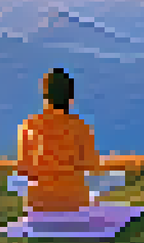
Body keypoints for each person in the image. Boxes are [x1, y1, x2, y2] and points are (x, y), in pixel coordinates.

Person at [10, 68, 125, 213]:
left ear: (45, 95)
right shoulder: (81, 126)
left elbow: (23, 169)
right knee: (117, 179)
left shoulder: (28, 126)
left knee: (15, 181)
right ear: (70, 96)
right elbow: (93, 168)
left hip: (38, 204)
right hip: (75, 203)